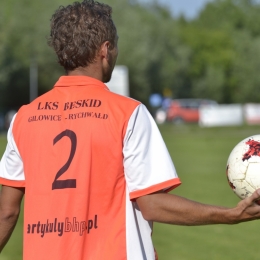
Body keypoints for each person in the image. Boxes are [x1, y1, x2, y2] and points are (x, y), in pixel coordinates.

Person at [1, 0, 260, 259]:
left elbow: (7, 213)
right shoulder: (128, 114)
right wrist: (230, 215)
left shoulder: (24, 118)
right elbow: (152, 204)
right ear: (105, 49)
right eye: (115, 47)